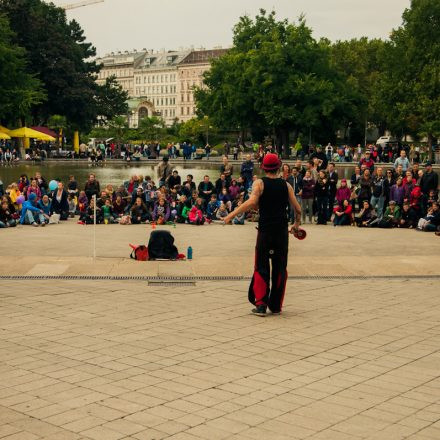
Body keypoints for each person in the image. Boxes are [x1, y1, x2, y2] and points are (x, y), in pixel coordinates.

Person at [224, 153, 301, 317]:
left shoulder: (259, 183)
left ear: (263, 167)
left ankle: (260, 305)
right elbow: (298, 209)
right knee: (280, 268)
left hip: (265, 231)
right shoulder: (286, 185)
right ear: (279, 166)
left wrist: (231, 215)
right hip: (281, 232)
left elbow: (252, 202)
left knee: (261, 266)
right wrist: (296, 224)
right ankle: (276, 306)